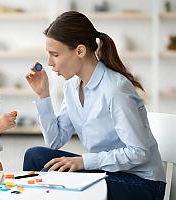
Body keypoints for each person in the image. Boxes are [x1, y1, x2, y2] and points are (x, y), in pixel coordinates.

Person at [23, 11, 166, 200]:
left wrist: (85, 161)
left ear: (80, 51)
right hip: (108, 171)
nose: (49, 63)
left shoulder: (115, 89)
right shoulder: (72, 87)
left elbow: (139, 153)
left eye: (55, 54)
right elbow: (55, 141)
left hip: (142, 183)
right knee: (34, 156)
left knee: (54, 175)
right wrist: (43, 96)